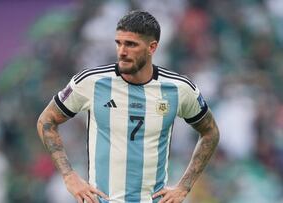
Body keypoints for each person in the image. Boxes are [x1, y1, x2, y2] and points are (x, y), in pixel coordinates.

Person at [37, 10, 220, 203]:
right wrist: (69, 176)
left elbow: (210, 132)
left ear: (152, 47)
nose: (122, 51)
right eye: (119, 43)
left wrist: (184, 186)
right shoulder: (91, 82)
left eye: (131, 44)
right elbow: (46, 121)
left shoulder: (178, 89)